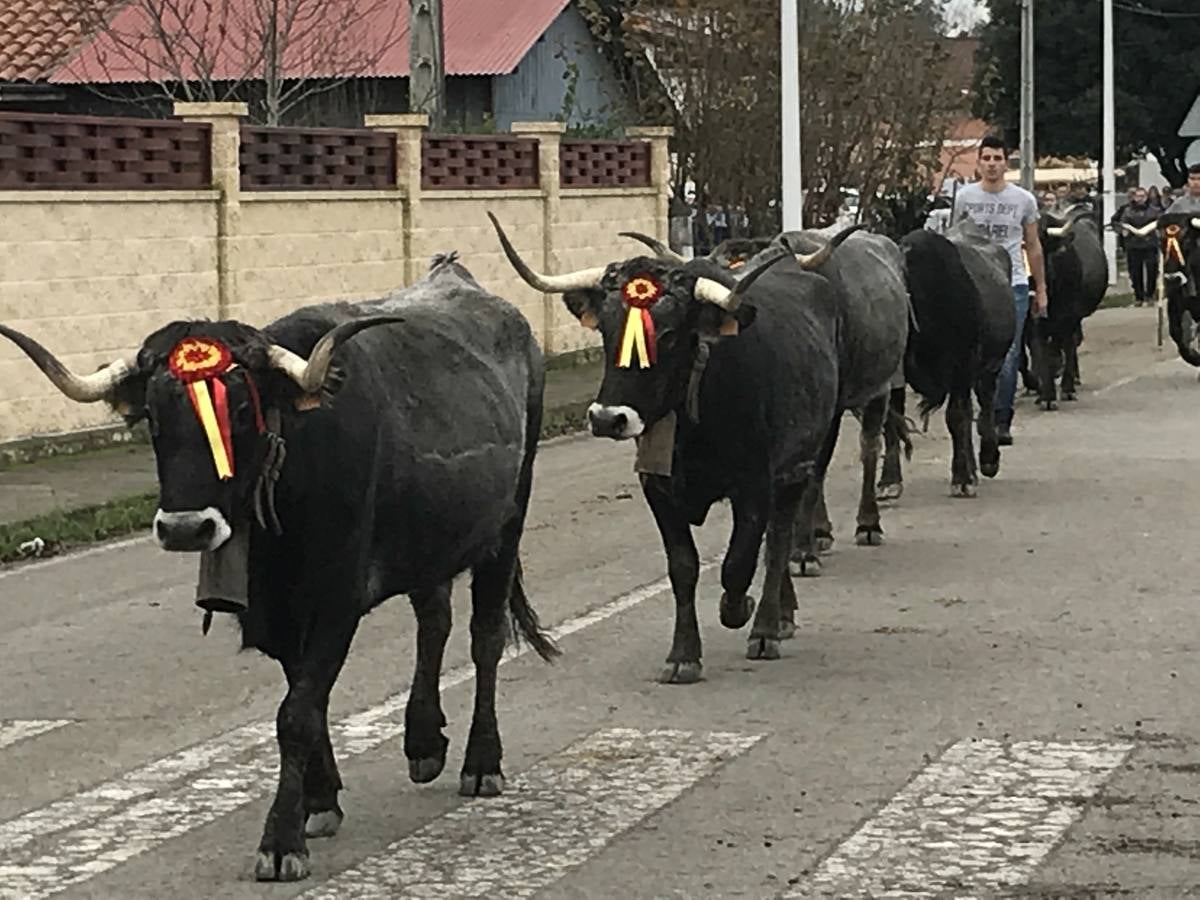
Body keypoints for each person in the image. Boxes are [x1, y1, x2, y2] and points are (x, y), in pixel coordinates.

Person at [952, 134, 1048, 446]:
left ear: (1006, 164)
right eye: (987, 159)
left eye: (998, 159)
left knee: (1007, 355)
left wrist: (1041, 287)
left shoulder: (1023, 200)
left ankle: (1000, 416)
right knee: (970, 354)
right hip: (972, 285)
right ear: (978, 163)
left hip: (1013, 285)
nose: (992, 165)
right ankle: (979, 410)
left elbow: (1033, 246)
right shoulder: (965, 198)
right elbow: (954, 241)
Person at [1118, 187, 1160, 307]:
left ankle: (1150, 295)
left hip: (1150, 244)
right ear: (1134, 197)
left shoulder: (1154, 210)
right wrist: (1124, 231)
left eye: (1143, 196)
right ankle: (1139, 297)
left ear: (1146, 197)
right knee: (1135, 272)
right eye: (1138, 196)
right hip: (1134, 245)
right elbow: (1122, 224)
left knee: (1152, 270)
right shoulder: (1127, 211)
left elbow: (1159, 223)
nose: (1140, 198)